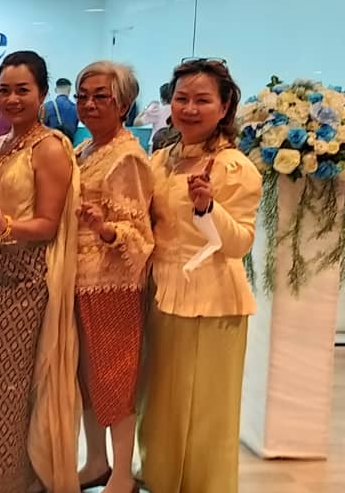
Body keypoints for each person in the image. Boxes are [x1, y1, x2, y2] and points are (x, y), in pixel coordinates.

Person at [138, 59, 260, 493]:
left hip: (212, 300)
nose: (189, 109)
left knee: (207, 408)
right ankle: (159, 479)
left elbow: (240, 243)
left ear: (224, 107)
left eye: (202, 100)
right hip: (161, 293)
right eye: (182, 98)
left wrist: (208, 207)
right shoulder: (160, 160)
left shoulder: (233, 166)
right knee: (160, 402)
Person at [0, 50, 79, 493]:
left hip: (27, 279)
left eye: (23, 90)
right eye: (5, 90)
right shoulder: (1, 145)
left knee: (4, 384)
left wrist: (8, 224)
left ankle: (10, 482)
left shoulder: (49, 147)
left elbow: (49, 224)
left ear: (43, 93)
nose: (12, 99)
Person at [71, 62, 154, 493]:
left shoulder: (127, 157)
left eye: (100, 96)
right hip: (77, 281)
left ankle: (122, 472)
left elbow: (139, 235)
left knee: (114, 376)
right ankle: (96, 461)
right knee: (87, 378)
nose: (89, 104)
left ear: (123, 104)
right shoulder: (86, 149)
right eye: (83, 95)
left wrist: (105, 229)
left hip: (113, 287)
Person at [43, 77, 78, 144]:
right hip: (69, 144)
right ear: (69, 90)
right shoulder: (75, 108)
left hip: (50, 144)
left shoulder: (46, 107)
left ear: (55, 90)